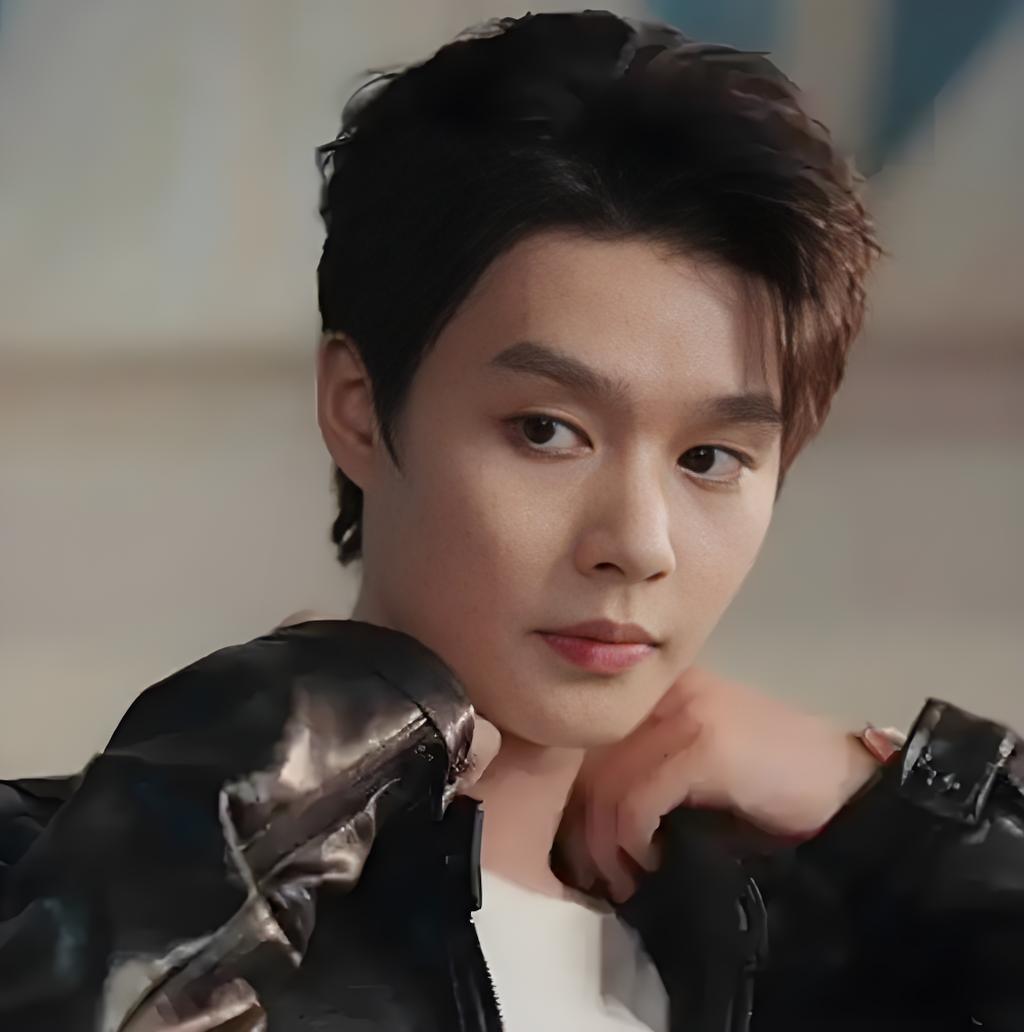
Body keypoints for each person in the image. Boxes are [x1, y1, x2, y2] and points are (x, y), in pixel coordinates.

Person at [1, 10, 1022, 1032]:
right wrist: (273, 748)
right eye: (546, 431)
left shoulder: (793, 973)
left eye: (710, 459)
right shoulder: (55, 881)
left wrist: (898, 809)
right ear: (358, 408)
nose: (638, 543)